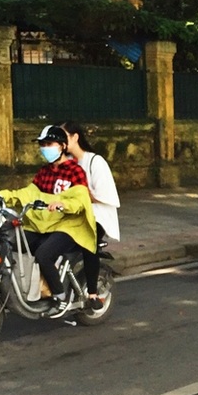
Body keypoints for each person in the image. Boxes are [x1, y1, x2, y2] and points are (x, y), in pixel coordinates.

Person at [0, 125, 96, 315]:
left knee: (44, 255)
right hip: (44, 224)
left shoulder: (75, 171)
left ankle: (59, 296)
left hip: (69, 226)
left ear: (63, 146)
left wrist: (63, 205)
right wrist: (1, 196)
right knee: (10, 242)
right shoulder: (44, 172)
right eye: (42, 144)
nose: (44, 148)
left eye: (49, 143)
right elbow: (27, 193)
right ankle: (23, 288)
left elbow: (81, 199)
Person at [61, 120, 119, 309]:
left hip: (97, 216)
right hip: (72, 214)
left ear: (75, 137)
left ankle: (92, 293)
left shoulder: (95, 161)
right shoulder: (66, 163)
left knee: (88, 242)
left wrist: (83, 195)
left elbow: (105, 195)